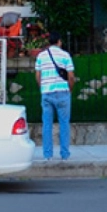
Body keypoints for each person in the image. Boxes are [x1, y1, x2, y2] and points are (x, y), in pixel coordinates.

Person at [35, 30, 75, 161]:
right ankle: (64, 154)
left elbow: (38, 75)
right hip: (62, 92)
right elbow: (71, 76)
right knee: (64, 124)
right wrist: (70, 89)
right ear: (59, 42)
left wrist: (42, 87)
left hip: (46, 92)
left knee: (47, 124)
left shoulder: (41, 56)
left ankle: (47, 155)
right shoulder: (65, 55)